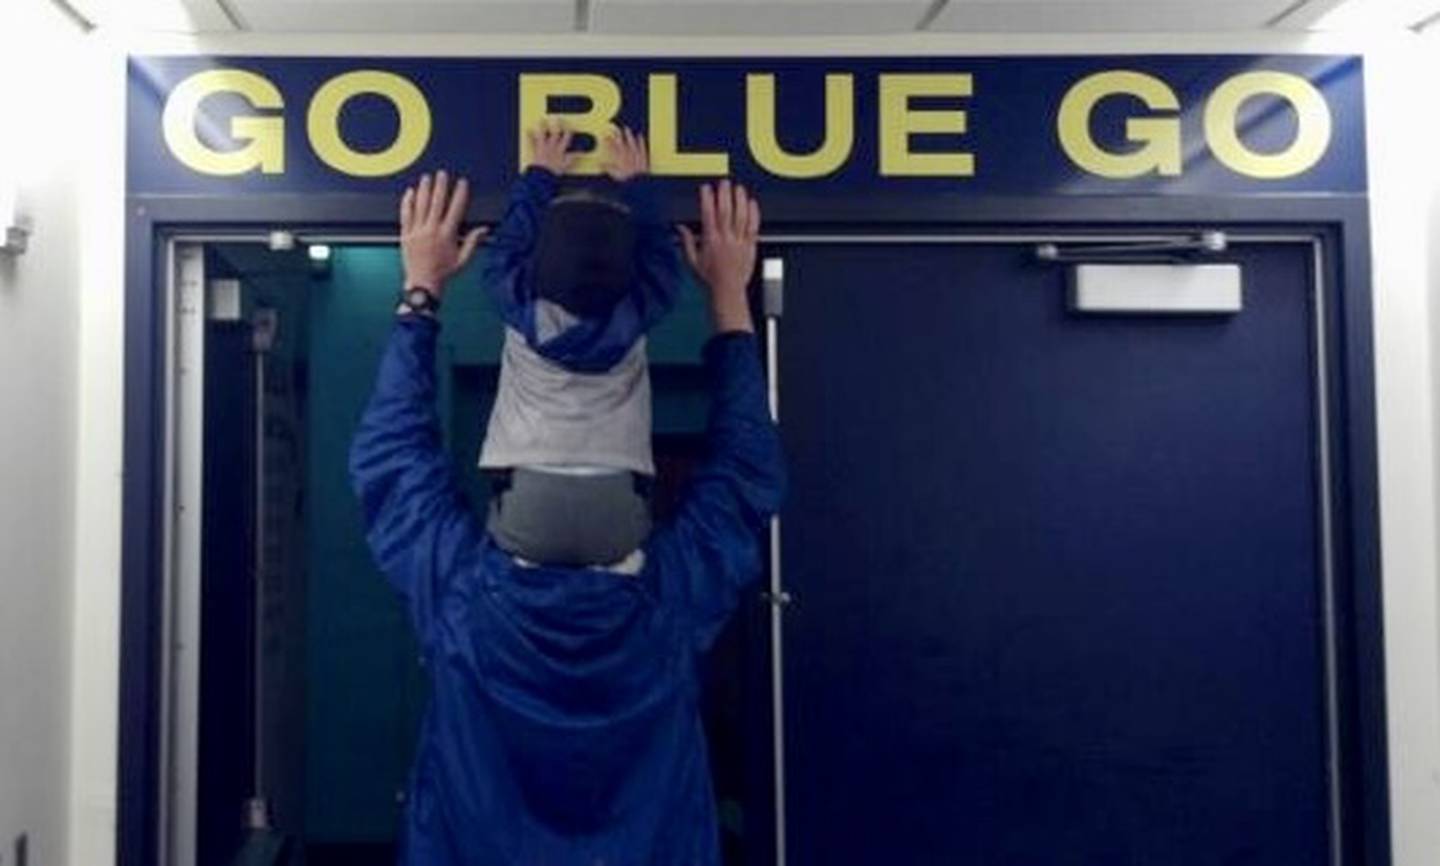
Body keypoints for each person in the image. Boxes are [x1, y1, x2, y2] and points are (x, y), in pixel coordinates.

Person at [348, 164, 785, 865]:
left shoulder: (467, 606)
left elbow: (390, 462)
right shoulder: (664, 611)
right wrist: (732, 303)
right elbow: (747, 474)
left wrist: (419, 294)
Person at [476, 122, 686, 569]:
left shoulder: (522, 306)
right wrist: (638, 188)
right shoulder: (636, 311)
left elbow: (504, 251)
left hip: (529, 492)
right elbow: (664, 263)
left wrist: (539, 176)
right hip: (613, 495)